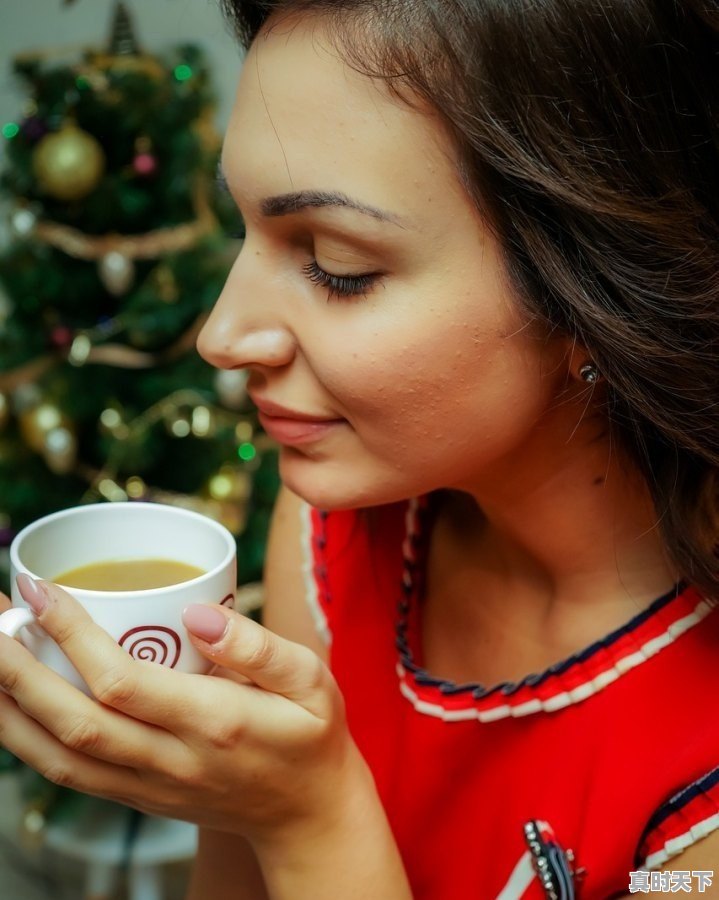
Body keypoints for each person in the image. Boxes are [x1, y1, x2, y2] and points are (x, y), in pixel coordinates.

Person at [1, 0, 718, 896]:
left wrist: (308, 819)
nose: (220, 336)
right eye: (243, 228)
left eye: (338, 264)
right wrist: (239, 798)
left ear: (598, 294)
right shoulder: (328, 535)